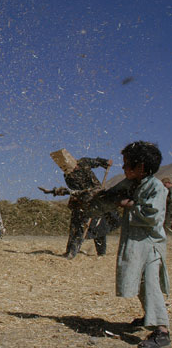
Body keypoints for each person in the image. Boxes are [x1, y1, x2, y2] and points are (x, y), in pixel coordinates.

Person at [89, 141, 169, 348]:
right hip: (135, 243)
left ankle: (162, 330)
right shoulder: (131, 183)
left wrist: (129, 204)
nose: (123, 168)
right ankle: (150, 316)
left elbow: (153, 215)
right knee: (142, 283)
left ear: (140, 167)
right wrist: (91, 202)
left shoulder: (156, 187)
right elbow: (110, 197)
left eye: (126, 164)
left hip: (150, 244)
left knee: (150, 283)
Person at [40, 150, 116, 259]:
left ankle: (101, 253)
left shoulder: (84, 162)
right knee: (76, 226)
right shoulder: (67, 176)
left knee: (99, 226)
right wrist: (55, 191)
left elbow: (97, 162)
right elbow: (74, 190)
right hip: (81, 200)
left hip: (97, 197)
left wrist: (106, 162)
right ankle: (71, 252)